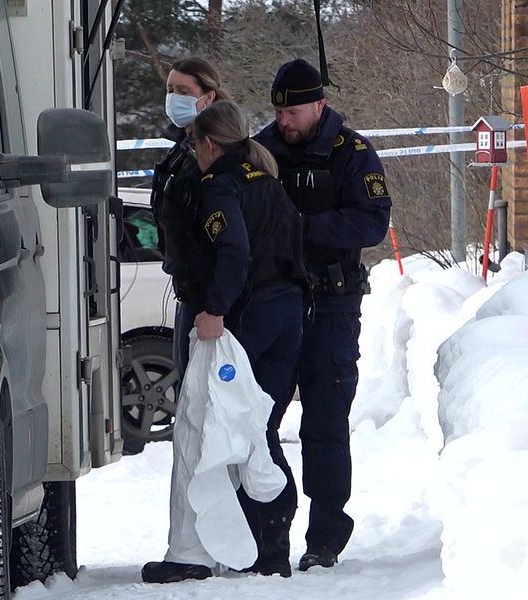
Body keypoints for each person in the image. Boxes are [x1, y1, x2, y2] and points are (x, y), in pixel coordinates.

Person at [142, 100, 308, 584]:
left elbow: (233, 251)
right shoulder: (268, 181)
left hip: (245, 318)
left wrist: (214, 308)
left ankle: (195, 551)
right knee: (259, 427)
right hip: (286, 313)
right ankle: (271, 548)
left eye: (194, 144)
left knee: (208, 425)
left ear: (209, 143)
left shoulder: (221, 186)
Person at [255, 58, 392, 571]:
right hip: (272, 303)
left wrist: (301, 229)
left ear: (319, 104)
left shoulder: (351, 153)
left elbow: (371, 222)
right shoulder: (261, 150)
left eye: (292, 110)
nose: (284, 120)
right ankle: (268, 532)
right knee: (260, 419)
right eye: (278, 110)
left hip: (331, 304)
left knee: (325, 420)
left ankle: (325, 536)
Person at [150, 56, 232, 376]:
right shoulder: (182, 149)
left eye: (183, 90)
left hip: (210, 299)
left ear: (208, 97)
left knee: (209, 402)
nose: (173, 98)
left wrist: (216, 306)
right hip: (187, 292)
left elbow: (231, 241)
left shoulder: (218, 152)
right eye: (170, 89)